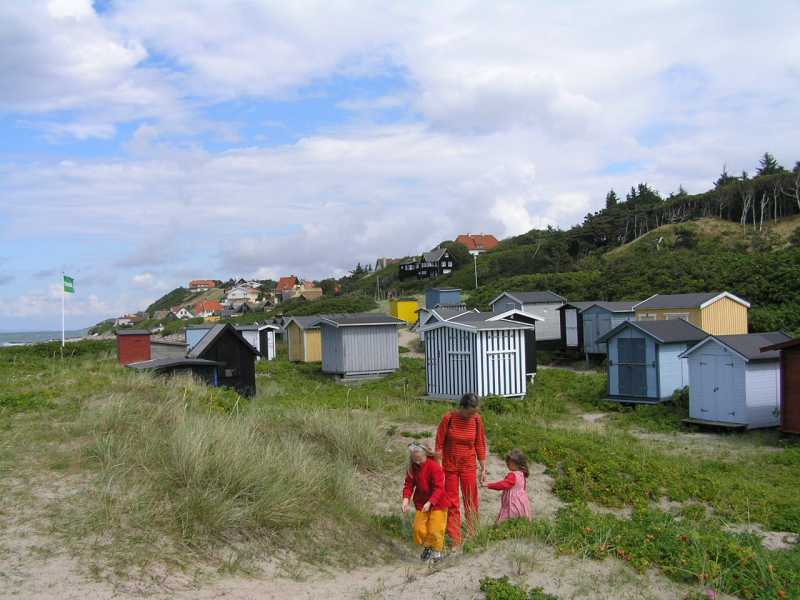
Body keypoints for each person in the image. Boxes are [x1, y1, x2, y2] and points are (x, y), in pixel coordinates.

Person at [435, 392, 487, 549]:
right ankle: (455, 539)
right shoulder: (448, 418)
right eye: (470, 412)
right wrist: (438, 466)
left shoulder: (477, 420)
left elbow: (479, 443)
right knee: (452, 502)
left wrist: (483, 467)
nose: (472, 415)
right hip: (450, 466)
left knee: (471, 500)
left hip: (469, 465)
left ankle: (473, 533)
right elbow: (439, 444)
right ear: (462, 407)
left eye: (475, 412)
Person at [402, 442, 448, 563]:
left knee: (435, 529)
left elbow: (439, 488)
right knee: (418, 529)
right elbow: (408, 485)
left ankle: (437, 554)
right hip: (421, 503)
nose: (415, 458)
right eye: (413, 456)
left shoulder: (434, 466)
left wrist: (430, 502)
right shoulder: (412, 467)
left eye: (418, 455)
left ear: (425, 454)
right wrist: (406, 499)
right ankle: (428, 547)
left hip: (438, 504)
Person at [484, 449, 532, 523]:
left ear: (517, 463)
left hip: (512, 503)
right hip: (522, 502)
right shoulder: (522, 474)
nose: (507, 463)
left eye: (509, 462)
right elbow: (523, 488)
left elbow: (503, 485)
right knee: (519, 519)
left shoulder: (513, 475)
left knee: (505, 520)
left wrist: (488, 485)